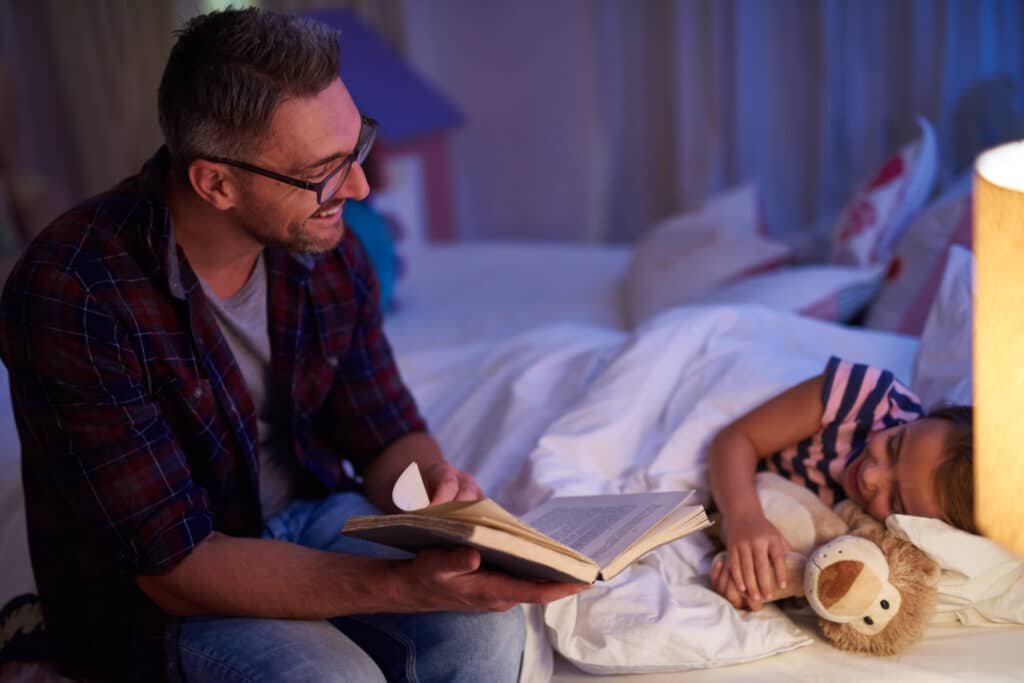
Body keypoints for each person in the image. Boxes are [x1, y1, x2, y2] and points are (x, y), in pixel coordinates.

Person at [0, 9, 585, 682]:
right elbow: (174, 568)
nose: (360, 188)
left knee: (484, 630)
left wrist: (438, 498)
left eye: (357, 147)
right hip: (165, 588)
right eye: (325, 171)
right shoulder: (74, 292)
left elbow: (383, 428)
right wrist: (404, 586)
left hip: (309, 513)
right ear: (216, 183)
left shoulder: (323, 248)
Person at [707, 355, 974, 611]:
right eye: (893, 445)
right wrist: (744, 516)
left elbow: (808, 577)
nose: (870, 476)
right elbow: (735, 440)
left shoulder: (877, 539)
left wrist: (750, 580)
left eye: (894, 499)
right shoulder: (866, 398)